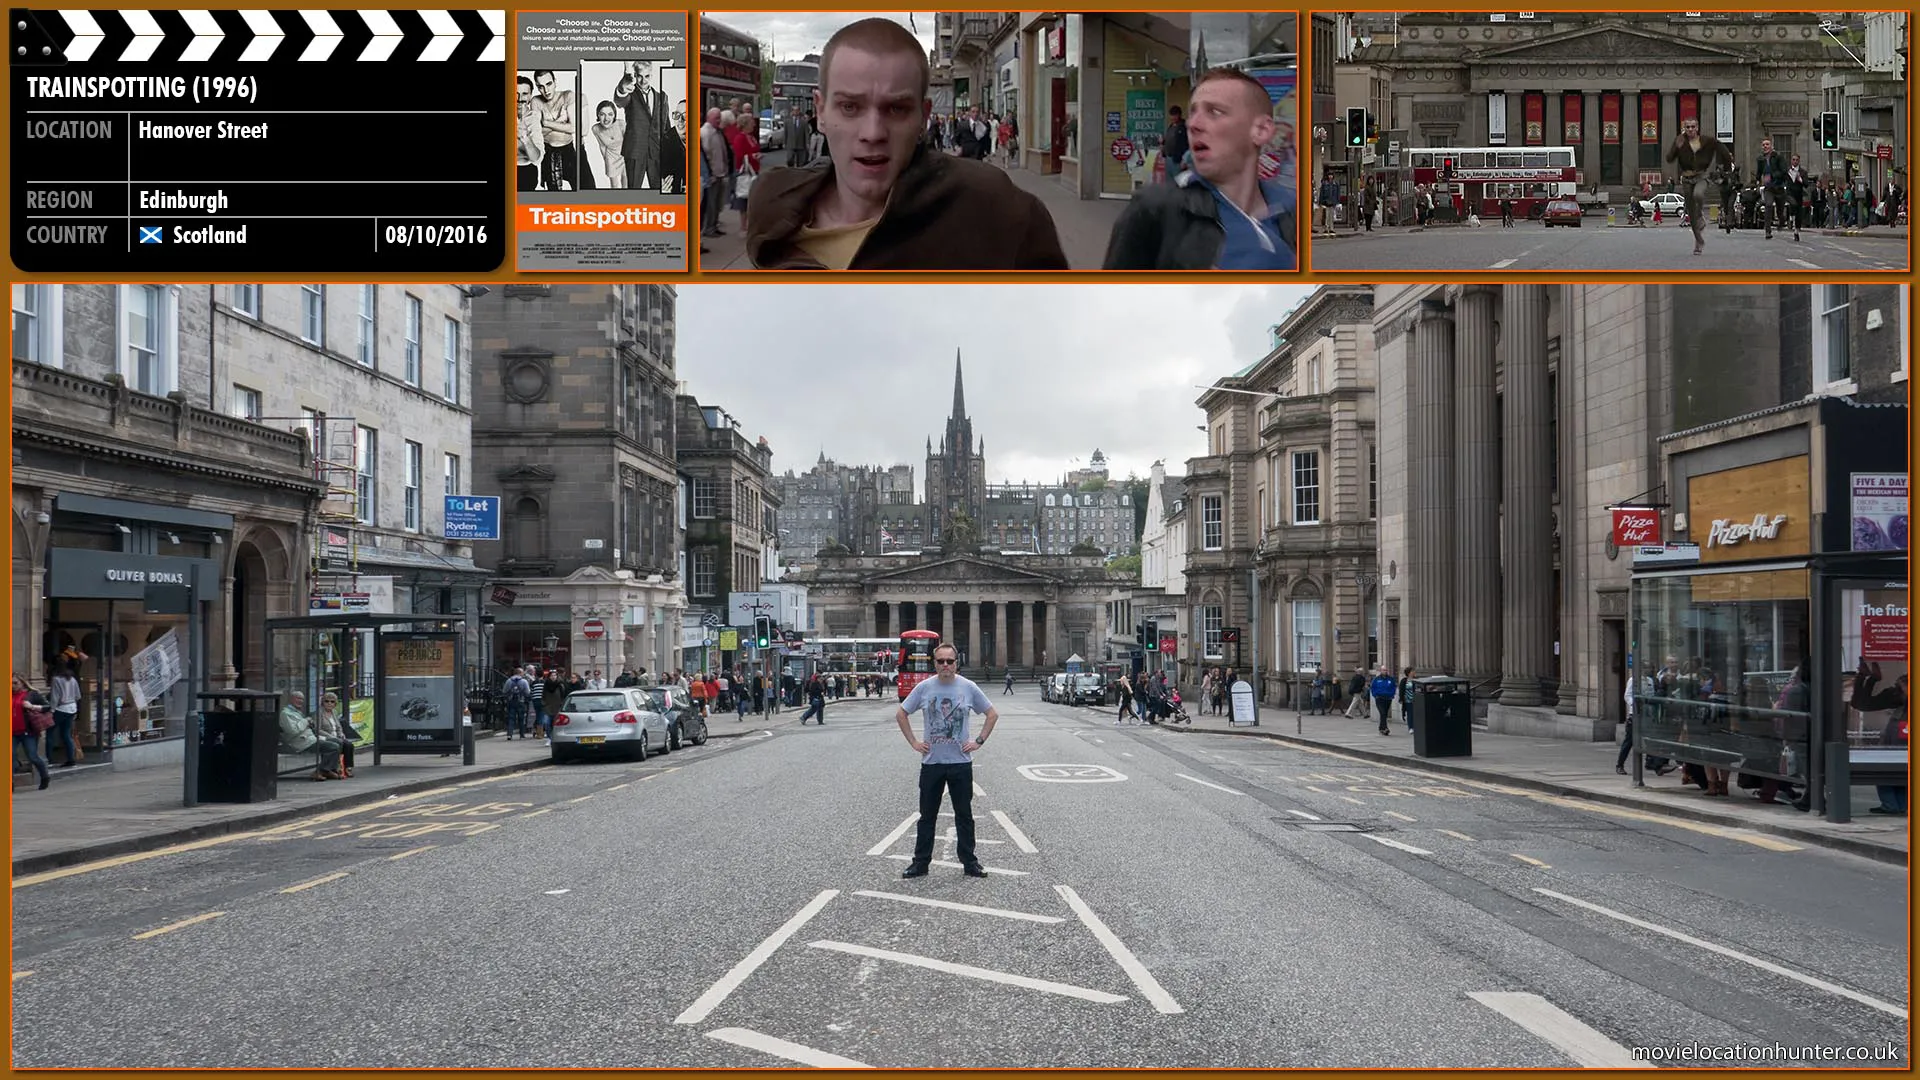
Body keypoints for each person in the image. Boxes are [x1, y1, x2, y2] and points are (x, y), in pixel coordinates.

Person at [745, 18, 1067, 270]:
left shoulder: (1000, 213)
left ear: (923, 116)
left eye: (896, 109)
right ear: (821, 111)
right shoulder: (771, 203)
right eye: (850, 107)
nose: (873, 132)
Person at [1102, 68, 1296, 271]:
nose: (1193, 124)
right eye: (1192, 112)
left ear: (1261, 130)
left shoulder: (1291, 210)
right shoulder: (1154, 210)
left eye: (1215, 112)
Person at [896, 641, 998, 879]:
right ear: (934, 663)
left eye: (949, 661)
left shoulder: (969, 687)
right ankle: (920, 863)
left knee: (964, 815)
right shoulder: (924, 688)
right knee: (927, 816)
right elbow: (901, 713)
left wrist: (978, 741)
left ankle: (969, 862)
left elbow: (992, 714)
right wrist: (913, 742)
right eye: (940, 661)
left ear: (956, 663)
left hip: (961, 763)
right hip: (931, 764)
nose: (945, 665)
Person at [1663, 116, 1731, 255]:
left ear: (1697, 128)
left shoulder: (1707, 141)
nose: (1690, 129)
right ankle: (1698, 241)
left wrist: (1727, 170)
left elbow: (1724, 151)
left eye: (1692, 127)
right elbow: (1669, 159)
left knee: (1698, 194)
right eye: (1687, 127)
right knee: (1691, 214)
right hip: (1687, 179)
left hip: (1701, 176)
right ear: (1684, 128)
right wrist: (1676, 146)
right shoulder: (1680, 141)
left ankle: (1700, 215)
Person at [614, 61, 662, 190]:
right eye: (639, 76)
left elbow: (665, 126)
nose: (643, 80)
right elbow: (620, 100)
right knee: (634, 191)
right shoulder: (630, 94)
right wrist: (622, 88)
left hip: (656, 152)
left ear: (652, 75)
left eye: (647, 76)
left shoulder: (661, 97)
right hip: (635, 152)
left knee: (660, 191)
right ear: (635, 75)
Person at [277, 690, 344, 782]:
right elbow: (292, 730)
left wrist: (309, 723)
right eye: (298, 698)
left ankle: (329, 770)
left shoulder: (296, 712)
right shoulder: (285, 713)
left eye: (302, 699)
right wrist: (306, 721)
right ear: (291, 699)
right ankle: (321, 771)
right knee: (333, 747)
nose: (300, 701)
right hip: (301, 742)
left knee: (338, 743)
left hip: (310, 739)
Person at [534, 69, 580, 192]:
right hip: (548, 151)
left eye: (549, 84)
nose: (546, 90)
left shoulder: (568, 95)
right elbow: (537, 134)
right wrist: (561, 120)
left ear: (555, 82)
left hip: (568, 149)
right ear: (537, 87)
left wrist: (546, 123)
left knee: (579, 187)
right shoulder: (536, 101)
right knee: (553, 193)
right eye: (541, 87)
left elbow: (574, 128)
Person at [12, 673, 52, 790]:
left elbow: (48, 707)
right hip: (12, 732)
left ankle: (44, 776)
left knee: (33, 757)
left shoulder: (31, 694)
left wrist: (32, 706)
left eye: (15, 683)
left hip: (27, 732)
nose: (13, 686)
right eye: (10, 684)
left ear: (23, 683)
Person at [699, 107, 733, 239]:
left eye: (720, 118)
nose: (719, 120)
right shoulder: (706, 132)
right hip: (712, 175)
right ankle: (708, 228)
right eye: (716, 118)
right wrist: (710, 174)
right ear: (709, 118)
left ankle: (714, 225)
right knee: (711, 204)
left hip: (720, 172)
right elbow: (705, 155)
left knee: (717, 202)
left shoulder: (717, 132)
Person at [1751, 136, 1789, 241]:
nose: (1765, 146)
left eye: (1767, 144)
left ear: (1771, 146)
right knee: (1768, 206)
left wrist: (1772, 176)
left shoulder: (1778, 157)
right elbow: (1759, 172)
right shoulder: (1760, 159)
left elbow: (1784, 170)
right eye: (1763, 145)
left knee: (1780, 210)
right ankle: (1767, 231)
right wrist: (1757, 181)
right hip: (1769, 187)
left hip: (1779, 187)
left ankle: (1782, 220)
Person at [48, 662, 81, 767]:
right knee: (66, 734)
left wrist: (51, 710)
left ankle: (48, 758)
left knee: (49, 732)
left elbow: (55, 696)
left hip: (60, 708)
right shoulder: (72, 679)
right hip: (71, 708)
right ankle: (71, 759)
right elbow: (78, 696)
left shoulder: (56, 679)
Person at [315, 692, 355, 778]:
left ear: (335, 703)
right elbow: (318, 729)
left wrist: (341, 733)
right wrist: (331, 736)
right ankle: (334, 767)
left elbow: (338, 727)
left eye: (332, 702)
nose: (329, 703)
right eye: (327, 701)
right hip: (325, 737)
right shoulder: (319, 713)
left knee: (349, 745)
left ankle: (348, 767)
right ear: (323, 702)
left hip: (336, 736)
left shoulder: (334, 712)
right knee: (338, 743)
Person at [515, 76, 544, 192]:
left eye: (524, 94)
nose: (519, 98)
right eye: (515, 93)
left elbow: (536, 159)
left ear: (530, 96)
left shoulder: (534, 118)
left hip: (525, 174)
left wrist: (526, 139)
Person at [1161, 105, 1189, 182]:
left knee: (1178, 181)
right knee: (1169, 181)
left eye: (1175, 115)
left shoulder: (1184, 127)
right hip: (1168, 158)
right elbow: (1167, 139)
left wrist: (1185, 160)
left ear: (1179, 115)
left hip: (1178, 160)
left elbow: (1187, 145)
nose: (1173, 117)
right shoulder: (1171, 126)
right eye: (1171, 115)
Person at [502, 667, 531, 739]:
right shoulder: (524, 681)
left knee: (511, 718)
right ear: (520, 673)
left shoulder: (509, 680)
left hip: (511, 701)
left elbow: (504, 691)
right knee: (521, 718)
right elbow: (528, 692)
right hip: (521, 701)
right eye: (522, 673)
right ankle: (522, 734)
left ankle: (509, 734)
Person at [1368, 666, 1397, 736]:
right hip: (1379, 698)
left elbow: (1394, 687)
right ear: (1381, 671)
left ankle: (1381, 728)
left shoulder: (1391, 679)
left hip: (1388, 698)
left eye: (1386, 670)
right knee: (1383, 712)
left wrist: (1391, 694)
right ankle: (1385, 728)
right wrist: (1375, 695)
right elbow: (1373, 688)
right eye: (1384, 670)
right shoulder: (1376, 679)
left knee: (1384, 714)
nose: (1385, 671)